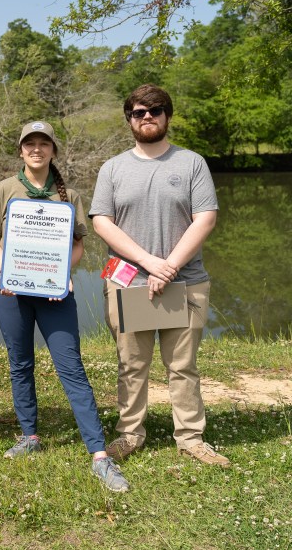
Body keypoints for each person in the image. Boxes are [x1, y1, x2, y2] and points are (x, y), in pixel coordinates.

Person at [0, 121, 129, 492]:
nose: (36, 149)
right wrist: (5, 272)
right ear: (20, 150)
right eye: (29, 143)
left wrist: (64, 272)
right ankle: (29, 436)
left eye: (43, 143)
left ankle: (99, 454)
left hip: (54, 292)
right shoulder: (4, 190)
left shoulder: (71, 196)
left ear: (53, 151)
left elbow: (78, 246)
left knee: (71, 367)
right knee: (21, 363)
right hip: (10, 292)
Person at [90, 84, 229, 468]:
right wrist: (151, 264)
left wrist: (168, 268)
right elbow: (102, 221)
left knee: (183, 366)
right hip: (126, 280)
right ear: (129, 119)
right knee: (131, 364)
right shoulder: (113, 168)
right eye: (139, 112)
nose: (147, 116)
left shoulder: (192, 163)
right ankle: (130, 433)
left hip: (187, 281)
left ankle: (190, 437)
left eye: (155, 110)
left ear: (167, 115)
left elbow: (206, 218)